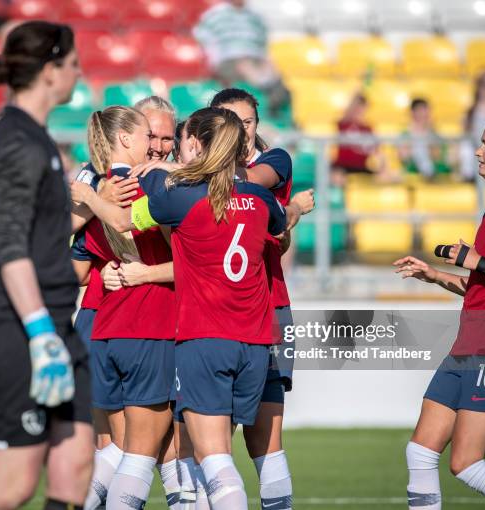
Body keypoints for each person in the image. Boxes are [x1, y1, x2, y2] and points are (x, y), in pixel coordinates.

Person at [73, 107, 291, 510]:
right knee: (234, 452)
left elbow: (122, 221)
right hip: (255, 341)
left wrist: (88, 195)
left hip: (200, 338)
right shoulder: (260, 197)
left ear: (192, 144)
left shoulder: (180, 199)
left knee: (204, 460)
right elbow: (281, 230)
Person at [0, 21, 93, 510]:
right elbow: (10, 250)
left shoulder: (36, 139)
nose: (79, 72)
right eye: (73, 63)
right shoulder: (16, 142)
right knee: (10, 487)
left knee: (75, 467)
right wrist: (40, 334)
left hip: (53, 327)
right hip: (17, 331)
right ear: (52, 71)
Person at [393, 113, 485, 510]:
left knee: (466, 463)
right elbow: (483, 284)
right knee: (419, 452)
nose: (479, 152)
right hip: (468, 344)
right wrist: (435, 276)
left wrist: (476, 260)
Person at [210, 87, 313, 510]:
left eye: (247, 123)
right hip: (212, 312)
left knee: (266, 441)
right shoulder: (198, 169)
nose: (241, 132)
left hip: (268, 309)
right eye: (229, 123)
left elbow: (272, 228)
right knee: (204, 441)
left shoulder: (274, 161)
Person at [71, 106, 177, 510]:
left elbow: (84, 263)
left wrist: (90, 201)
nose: (155, 146)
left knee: (115, 449)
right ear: (128, 140)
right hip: (150, 327)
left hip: (107, 330)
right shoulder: (153, 184)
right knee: (140, 455)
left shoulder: (100, 193)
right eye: (147, 136)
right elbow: (187, 251)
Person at [192, 0, 289, 114]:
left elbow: (263, 42)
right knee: (246, 66)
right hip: (229, 60)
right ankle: (263, 84)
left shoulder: (255, 16)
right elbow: (203, 39)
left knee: (276, 75)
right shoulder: (215, 15)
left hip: (255, 58)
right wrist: (214, 60)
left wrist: (265, 60)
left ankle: (272, 110)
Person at [332, 93, 382, 183]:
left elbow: (377, 151)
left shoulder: (368, 129)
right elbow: (347, 112)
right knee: (337, 178)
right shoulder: (345, 124)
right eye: (357, 107)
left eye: (362, 107)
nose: (359, 110)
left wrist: (382, 168)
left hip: (361, 167)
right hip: (342, 167)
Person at [399, 98, 452, 179]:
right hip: (414, 170)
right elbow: (404, 158)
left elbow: (437, 157)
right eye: (421, 111)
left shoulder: (433, 133)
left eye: (426, 111)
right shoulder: (406, 134)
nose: (424, 114)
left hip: (434, 169)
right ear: (413, 113)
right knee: (419, 151)